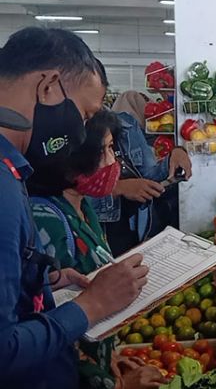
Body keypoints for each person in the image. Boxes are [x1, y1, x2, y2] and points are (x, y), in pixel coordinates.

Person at [0, 27, 150, 389]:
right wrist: (90, 307)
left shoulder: (12, 171)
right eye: (84, 115)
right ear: (48, 86)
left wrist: (38, 285)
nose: (82, 135)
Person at [31, 110, 164, 388]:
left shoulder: (84, 207)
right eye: (103, 150)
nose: (112, 161)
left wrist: (108, 358)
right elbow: (53, 332)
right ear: (71, 159)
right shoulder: (47, 220)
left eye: (112, 148)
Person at [91, 91, 192, 256]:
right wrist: (118, 188)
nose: (110, 160)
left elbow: (148, 174)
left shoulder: (126, 124)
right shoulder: (73, 134)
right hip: (102, 237)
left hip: (136, 229)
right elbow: (72, 196)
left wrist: (175, 155)